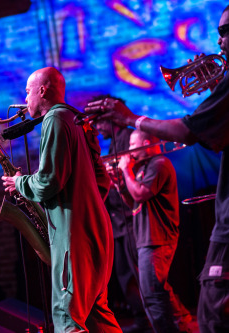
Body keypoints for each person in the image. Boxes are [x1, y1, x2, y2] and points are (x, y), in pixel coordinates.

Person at [84, 7, 229, 331]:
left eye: (226, 31)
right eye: (218, 32)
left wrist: (128, 124)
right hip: (140, 232)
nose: (219, 42)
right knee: (153, 294)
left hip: (158, 237)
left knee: (203, 306)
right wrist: (120, 178)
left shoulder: (159, 163)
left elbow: (189, 132)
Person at [2, 67, 121, 332]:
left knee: (67, 318)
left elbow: (48, 182)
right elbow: (103, 180)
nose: (25, 99)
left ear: (42, 91)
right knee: (97, 316)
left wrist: (18, 182)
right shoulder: (77, 119)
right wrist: (82, 204)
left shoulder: (54, 119)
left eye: (28, 92)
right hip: (96, 230)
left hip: (74, 237)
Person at [115, 130, 191, 332]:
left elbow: (141, 194)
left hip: (157, 237)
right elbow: (133, 202)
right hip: (147, 237)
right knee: (157, 291)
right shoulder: (145, 167)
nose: (129, 149)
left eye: (133, 144)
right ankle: (182, 323)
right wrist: (121, 185)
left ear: (146, 143)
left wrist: (126, 171)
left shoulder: (159, 164)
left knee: (152, 294)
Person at [92, 102, 150, 333]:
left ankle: (150, 321)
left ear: (110, 119)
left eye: (99, 122)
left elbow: (136, 172)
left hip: (131, 217)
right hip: (118, 220)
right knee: (127, 276)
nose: (97, 127)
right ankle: (142, 320)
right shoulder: (114, 143)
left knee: (138, 274)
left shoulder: (128, 139)